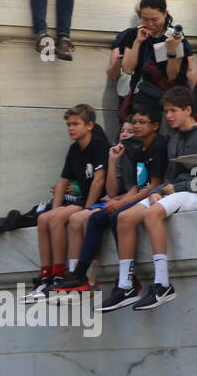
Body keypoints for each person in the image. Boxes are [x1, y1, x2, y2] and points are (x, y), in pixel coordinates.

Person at [102, 87, 197, 311]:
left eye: (174, 110)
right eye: (166, 111)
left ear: (188, 110)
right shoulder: (174, 140)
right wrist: (156, 191)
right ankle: (125, 285)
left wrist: (175, 187)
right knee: (125, 218)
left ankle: (162, 284)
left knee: (152, 213)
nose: (169, 116)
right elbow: (168, 177)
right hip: (174, 191)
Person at [50, 105, 167, 296]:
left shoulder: (157, 145)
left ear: (154, 125)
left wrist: (120, 202)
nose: (132, 130)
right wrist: (113, 160)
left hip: (157, 196)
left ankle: (125, 280)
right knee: (97, 218)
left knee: (113, 216)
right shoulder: (136, 149)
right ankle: (78, 275)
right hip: (133, 196)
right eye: (127, 128)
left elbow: (151, 185)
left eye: (139, 124)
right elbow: (119, 189)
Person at [21, 106, 109, 301]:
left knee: (57, 219)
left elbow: (99, 180)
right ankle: (47, 276)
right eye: (68, 124)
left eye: (75, 124)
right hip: (82, 200)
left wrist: (88, 207)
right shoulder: (73, 149)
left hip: (99, 200)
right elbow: (63, 182)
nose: (70, 128)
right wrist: (56, 208)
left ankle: (61, 274)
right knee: (45, 218)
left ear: (90, 125)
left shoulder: (98, 145)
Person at [115, 0, 193, 119]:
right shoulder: (133, 34)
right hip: (139, 97)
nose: (150, 24)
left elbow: (172, 75)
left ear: (165, 14)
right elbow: (128, 68)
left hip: (164, 99)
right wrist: (138, 42)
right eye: (145, 19)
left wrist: (172, 51)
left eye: (155, 19)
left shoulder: (174, 37)